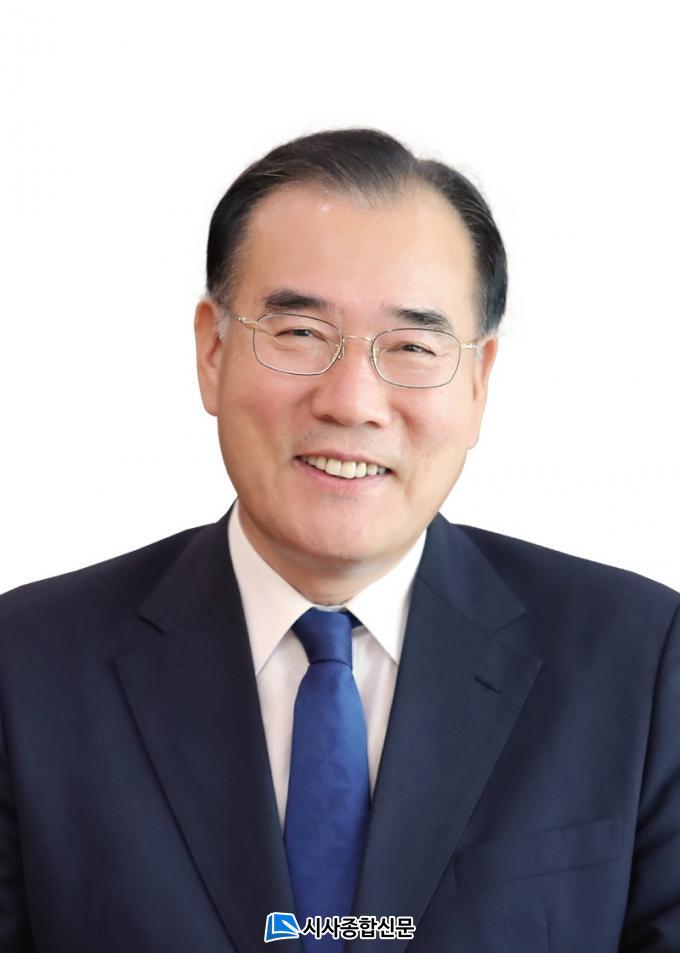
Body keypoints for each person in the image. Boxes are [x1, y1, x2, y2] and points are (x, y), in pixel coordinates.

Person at [0, 129, 678, 953]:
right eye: (298, 333)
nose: (351, 400)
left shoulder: (640, 663)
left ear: (478, 381)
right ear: (212, 350)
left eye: (413, 347)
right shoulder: (27, 666)